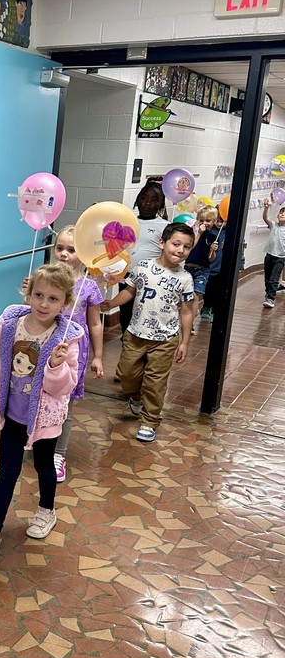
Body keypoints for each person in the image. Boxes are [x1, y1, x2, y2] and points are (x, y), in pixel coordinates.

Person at [0, 263, 83, 554]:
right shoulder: (8, 325)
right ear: (27, 293)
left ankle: (46, 510)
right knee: (7, 470)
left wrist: (55, 365)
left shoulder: (66, 338)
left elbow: (64, 387)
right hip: (13, 414)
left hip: (45, 418)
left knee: (44, 466)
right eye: (38, 295)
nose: (43, 303)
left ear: (65, 303)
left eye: (53, 298)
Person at [102, 224, 195, 443]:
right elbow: (129, 291)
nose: (180, 250)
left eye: (187, 247)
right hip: (135, 334)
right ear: (162, 244)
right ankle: (135, 396)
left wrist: (184, 342)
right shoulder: (143, 267)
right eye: (176, 244)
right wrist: (111, 304)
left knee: (155, 382)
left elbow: (187, 311)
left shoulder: (185, 279)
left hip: (165, 339)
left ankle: (149, 420)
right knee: (126, 375)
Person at [48, 226, 104, 482]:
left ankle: (59, 453)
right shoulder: (46, 280)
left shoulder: (89, 287)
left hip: (74, 354)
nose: (63, 254)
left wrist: (98, 356)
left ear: (83, 254)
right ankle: (41, 442)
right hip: (47, 347)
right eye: (59, 248)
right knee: (44, 398)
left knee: (66, 406)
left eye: (71, 250)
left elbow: (95, 324)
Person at [117, 182, 168, 337]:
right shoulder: (127, 221)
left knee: (147, 311)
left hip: (151, 278)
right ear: (137, 199)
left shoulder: (165, 226)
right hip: (127, 275)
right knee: (126, 311)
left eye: (154, 200)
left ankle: (144, 342)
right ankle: (126, 340)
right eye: (144, 198)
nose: (147, 203)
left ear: (160, 205)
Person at [185, 205, 218, 330]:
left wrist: (213, 250)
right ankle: (191, 313)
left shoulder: (213, 236)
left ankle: (190, 325)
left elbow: (211, 258)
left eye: (208, 221)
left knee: (196, 295)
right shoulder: (193, 232)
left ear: (214, 221)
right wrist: (199, 233)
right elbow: (190, 247)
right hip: (188, 266)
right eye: (201, 220)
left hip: (202, 268)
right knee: (187, 296)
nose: (204, 223)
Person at [262, 196, 285, 309]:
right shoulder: (273, 225)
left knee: (274, 278)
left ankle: (271, 298)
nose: (282, 214)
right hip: (269, 255)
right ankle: (268, 294)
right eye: (281, 213)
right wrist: (266, 207)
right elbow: (265, 217)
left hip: (281, 257)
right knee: (267, 277)